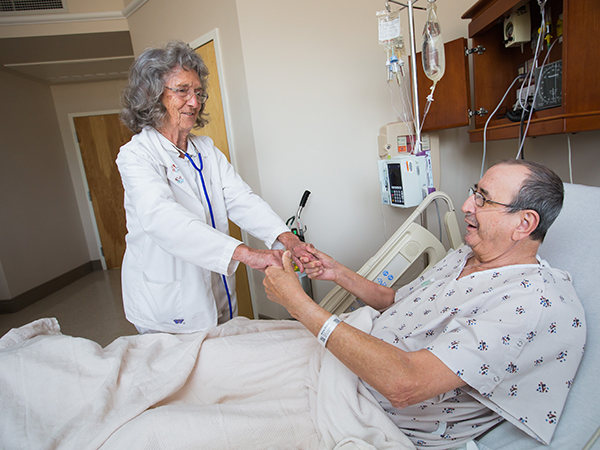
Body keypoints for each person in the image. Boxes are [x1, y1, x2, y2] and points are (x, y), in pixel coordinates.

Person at [264, 159, 586, 448]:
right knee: (220, 356)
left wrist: (299, 305)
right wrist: (338, 272)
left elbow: (404, 385)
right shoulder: (468, 254)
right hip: (348, 357)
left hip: (369, 410)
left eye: (483, 199)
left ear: (524, 224)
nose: (465, 205)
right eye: (475, 192)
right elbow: (396, 300)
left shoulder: (530, 305)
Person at [116, 41, 310, 334]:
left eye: (198, 92)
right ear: (151, 95)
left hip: (214, 286)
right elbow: (163, 219)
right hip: (167, 300)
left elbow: (241, 199)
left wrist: (286, 238)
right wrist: (247, 254)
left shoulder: (205, 149)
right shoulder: (136, 155)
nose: (194, 102)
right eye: (182, 91)